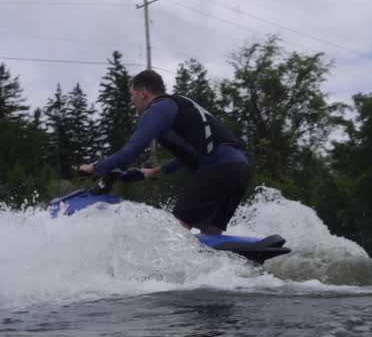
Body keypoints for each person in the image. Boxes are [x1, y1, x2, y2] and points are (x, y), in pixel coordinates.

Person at [79, 69, 250, 235]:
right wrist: (156, 171)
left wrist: (95, 167)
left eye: (132, 94)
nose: (132, 100)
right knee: (212, 230)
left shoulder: (158, 108)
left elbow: (130, 151)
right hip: (240, 168)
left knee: (176, 231)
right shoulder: (179, 104)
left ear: (143, 93)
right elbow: (192, 154)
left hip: (218, 167)